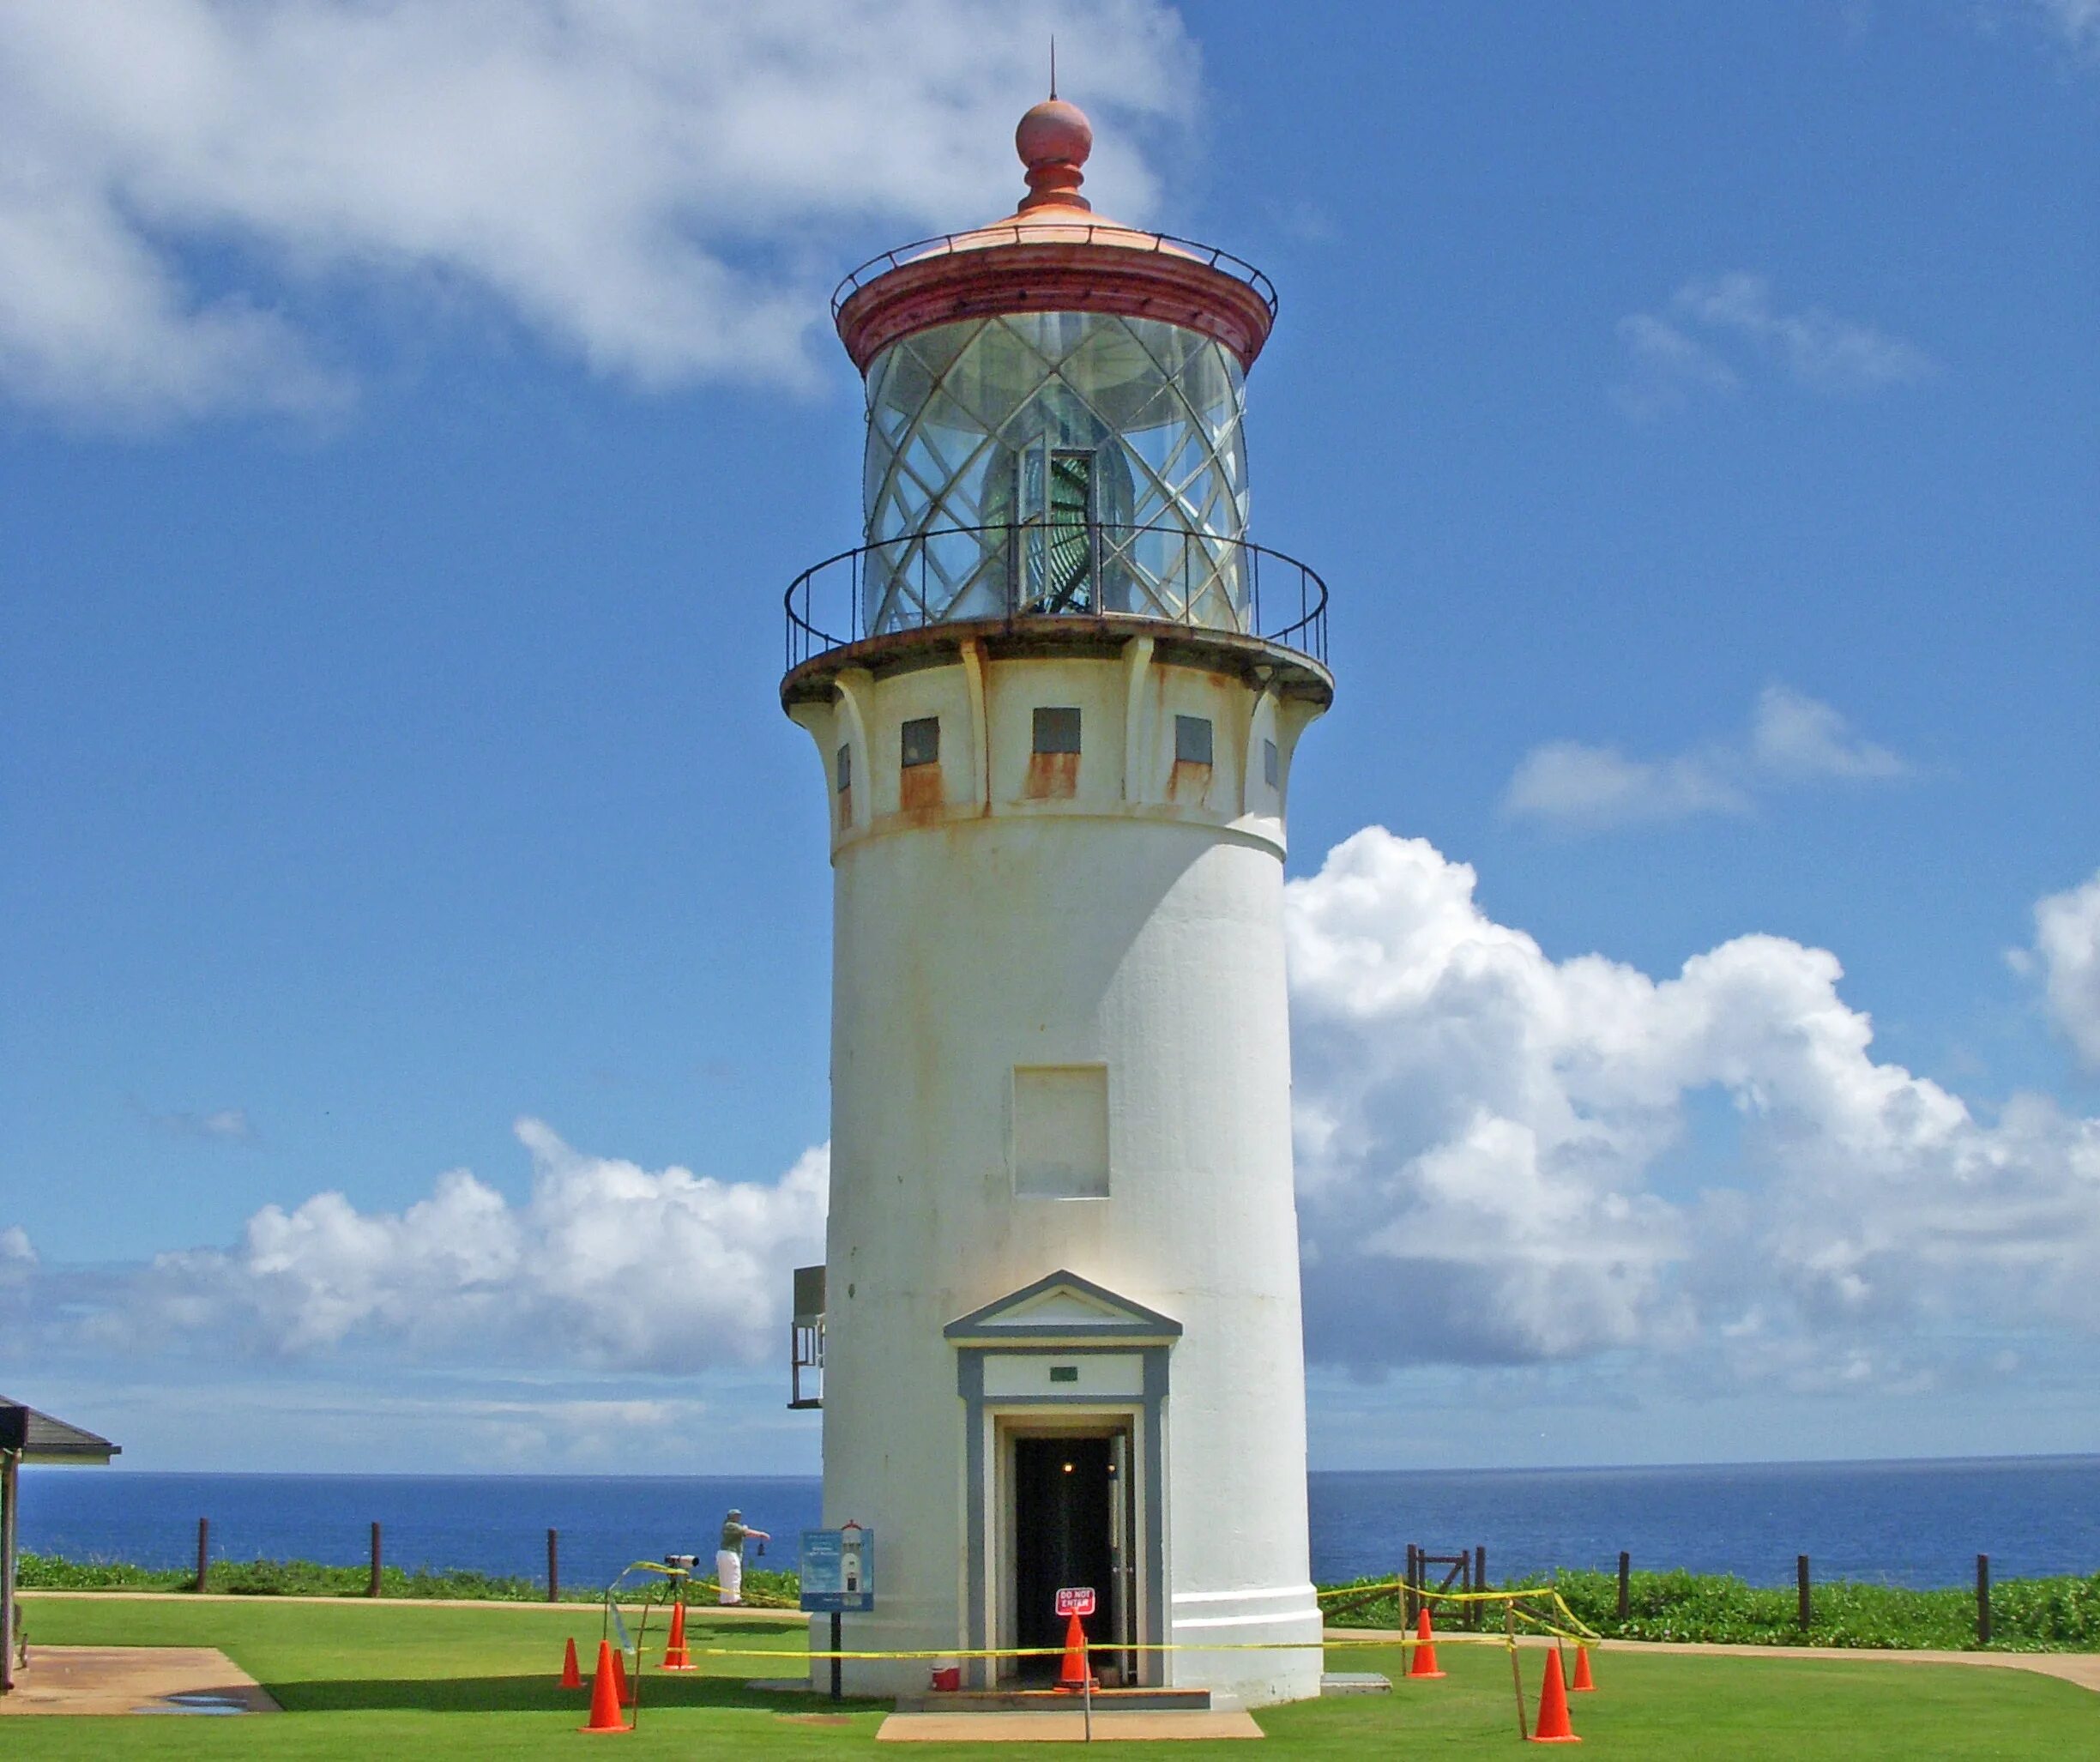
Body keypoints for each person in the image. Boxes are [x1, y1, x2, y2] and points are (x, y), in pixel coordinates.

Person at [715, 1508, 770, 1606]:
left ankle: (725, 1599)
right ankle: (734, 1599)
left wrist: (745, 1528)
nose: (738, 1517)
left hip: (724, 1554)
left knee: (725, 1578)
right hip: (730, 1554)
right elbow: (746, 1532)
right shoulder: (732, 1526)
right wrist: (761, 1534)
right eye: (736, 1515)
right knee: (734, 1576)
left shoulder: (727, 1526)